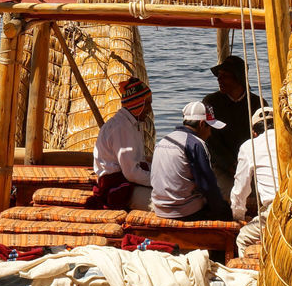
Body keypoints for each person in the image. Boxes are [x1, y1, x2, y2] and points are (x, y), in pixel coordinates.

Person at [151, 102, 230, 221]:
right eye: (210, 128)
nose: (210, 133)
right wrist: (223, 209)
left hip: (159, 207)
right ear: (202, 124)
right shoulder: (195, 144)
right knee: (225, 209)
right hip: (183, 212)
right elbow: (207, 185)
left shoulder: (164, 140)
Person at [202, 55, 266, 195]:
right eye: (219, 75)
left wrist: (249, 165)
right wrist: (230, 165)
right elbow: (211, 141)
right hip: (221, 166)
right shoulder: (211, 102)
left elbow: (264, 138)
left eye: (225, 76)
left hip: (253, 165)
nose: (219, 79)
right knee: (226, 194)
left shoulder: (258, 103)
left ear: (238, 78)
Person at [86, 77, 153, 210]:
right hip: (117, 188)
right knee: (167, 204)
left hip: (127, 180)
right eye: (147, 104)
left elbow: (135, 164)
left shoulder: (130, 124)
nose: (149, 110)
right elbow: (132, 173)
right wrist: (160, 181)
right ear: (137, 104)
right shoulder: (122, 128)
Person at [231, 106, 278, 252]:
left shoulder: (249, 146)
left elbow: (241, 188)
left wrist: (238, 215)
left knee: (243, 239)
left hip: (276, 210)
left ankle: (251, 273)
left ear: (254, 133)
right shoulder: (291, 140)